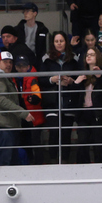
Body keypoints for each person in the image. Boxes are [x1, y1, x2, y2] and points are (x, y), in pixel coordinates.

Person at [70, 44, 102, 164]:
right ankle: (83, 169)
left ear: (97, 57)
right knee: (82, 143)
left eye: (92, 55)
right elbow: (73, 97)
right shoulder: (82, 74)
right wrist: (76, 83)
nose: (88, 57)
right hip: (83, 113)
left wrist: (100, 77)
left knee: (99, 144)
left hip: (98, 114)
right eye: (87, 55)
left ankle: (100, 168)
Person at [39, 31, 77, 161]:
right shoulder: (46, 59)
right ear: (52, 43)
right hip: (51, 102)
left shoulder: (74, 59)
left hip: (69, 101)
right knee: (54, 132)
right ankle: (53, 161)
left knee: (66, 133)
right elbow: (41, 80)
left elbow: (79, 79)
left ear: (66, 42)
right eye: (56, 41)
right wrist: (52, 79)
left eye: (61, 41)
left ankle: (65, 161)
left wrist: (71, 81)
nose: (59, 44)